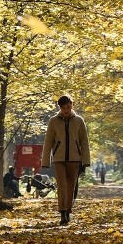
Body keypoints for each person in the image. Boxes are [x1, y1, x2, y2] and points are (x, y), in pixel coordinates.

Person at [41, 94, 91, 225]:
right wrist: (45, 161)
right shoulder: (53, 121)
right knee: (62, 186)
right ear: (60, 108)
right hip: (59, 159)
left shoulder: (79, 121)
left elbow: (84, 142)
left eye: (68, 107)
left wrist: (85, 161)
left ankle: (68, 211)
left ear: (72, 105)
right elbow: (48, 142)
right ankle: (62, 212)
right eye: (63, 108)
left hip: (75, 159)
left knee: (71, 186)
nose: (66, 110)